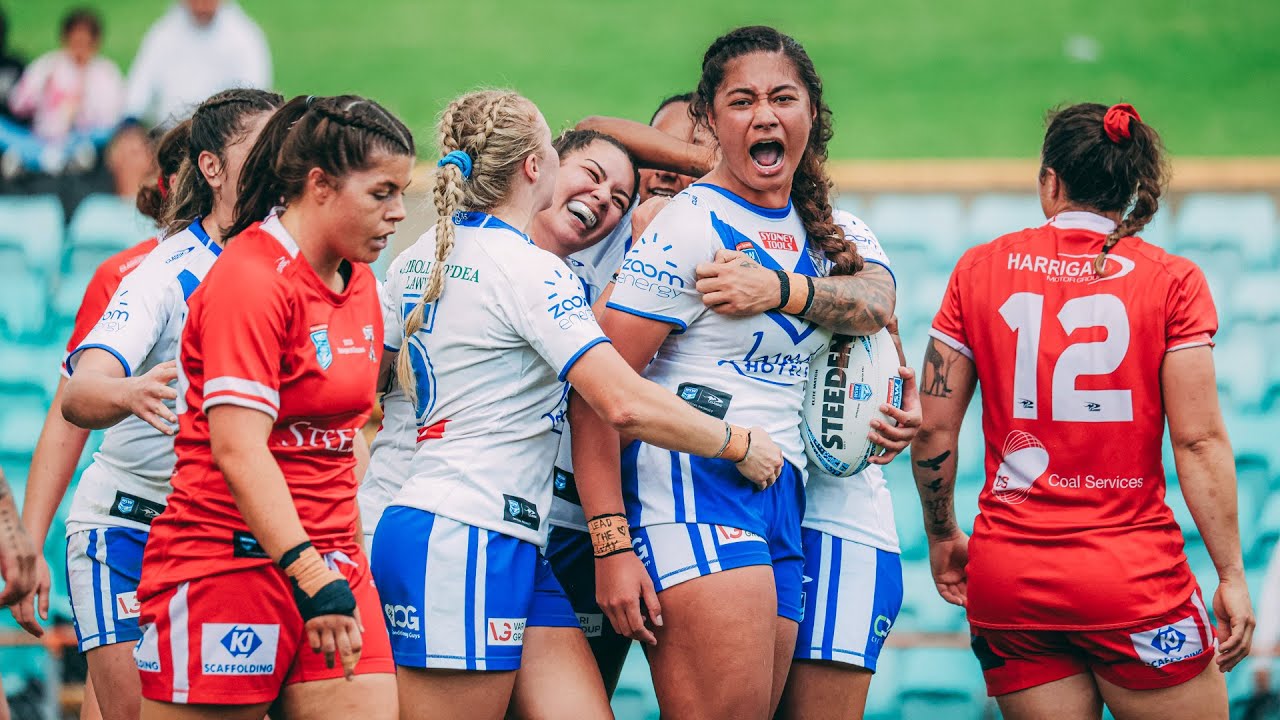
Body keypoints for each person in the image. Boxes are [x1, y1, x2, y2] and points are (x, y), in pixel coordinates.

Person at [368, 88, 783, 720]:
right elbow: (618, 399)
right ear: (540, 165)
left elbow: (371, 385)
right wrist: (739, 444)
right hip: (464, 531)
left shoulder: (423, 256)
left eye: (622, 198)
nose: (607, 203)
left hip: (497, 530)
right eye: (589, 174)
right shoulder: (531, 270)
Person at [570, 25, 898, 719]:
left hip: (783, 496)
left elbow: (876, 308)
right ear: (712, 123)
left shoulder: (830, 229)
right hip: (697, 492)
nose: (765, 115)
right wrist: (611, 543)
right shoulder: (689, 225)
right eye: (742, 101)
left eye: (783, 98)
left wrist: (778, 290)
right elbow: (594, 390)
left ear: (813, 112)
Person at [912, 102, 1254, 720]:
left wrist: (942, 534)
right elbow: (1198, 442)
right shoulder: (1173, 280)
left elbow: (933, 425)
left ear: (1051, 182)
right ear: (1128, 188)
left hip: (1010, 583)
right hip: (1131, 578)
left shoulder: (977, 270)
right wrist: (1230, 573)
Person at [135, 93, 414, 720]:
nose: (400, 212)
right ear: (318, 185)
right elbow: (237, 449)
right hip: (228, 564)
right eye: (382, 193)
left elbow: (341, 433)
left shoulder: (363, 281)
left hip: (333, 562)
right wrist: (307, 570)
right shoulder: (250, 280)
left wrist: (330, 561)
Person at [55, 88, 280, 720]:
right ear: (211, 168)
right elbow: (79, 392)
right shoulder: (165, 270)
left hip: (230, 532)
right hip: (128, 526)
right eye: (261, 146)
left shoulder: (297, 266)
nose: (278, 159)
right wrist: (129, 392)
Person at [10, 116, 190, 720]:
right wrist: (30, 544)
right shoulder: (128, 275)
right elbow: (69, 417)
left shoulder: (274, 273)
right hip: (137, 529)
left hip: (229, 536)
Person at [1, 8, 124, 175]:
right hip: (40, 141)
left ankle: (55, 160)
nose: (80, 47)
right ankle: (35, 159)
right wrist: (40, 90)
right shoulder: (47, 66)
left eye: (85, 41)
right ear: (65, 39)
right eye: (76, 40)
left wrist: (83, 99)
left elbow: (112, 121)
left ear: (95, 42)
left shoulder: (106, 73)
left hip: (83, 141)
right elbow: (17, 105)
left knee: (97, 140)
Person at [125, 1, 271, 128]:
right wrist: (131, 120)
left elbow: (255, 92)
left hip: (223, 134)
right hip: (169, 134)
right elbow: (141, 84)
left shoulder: (244, 37)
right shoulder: (163, 34)